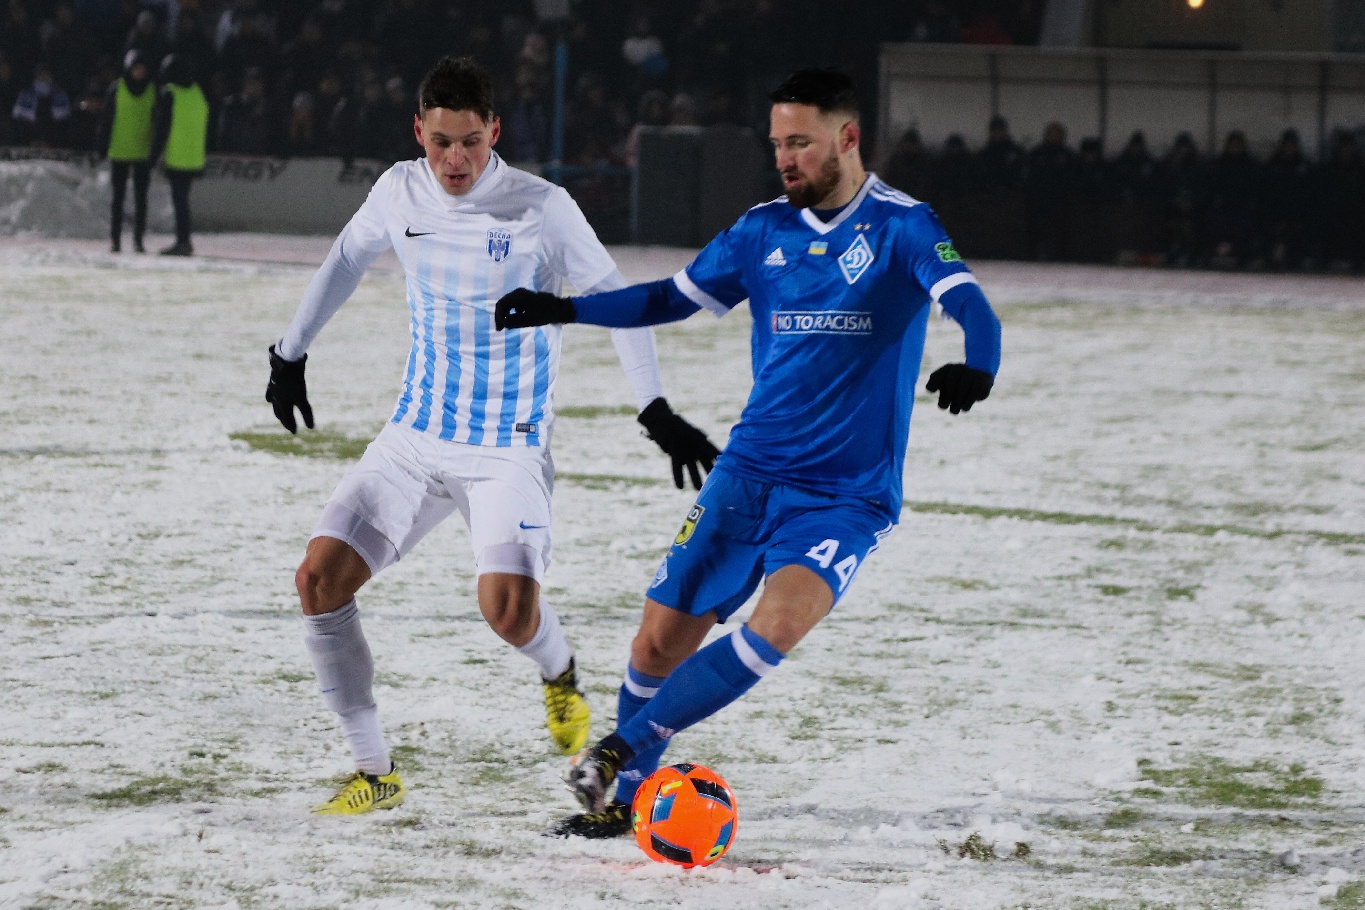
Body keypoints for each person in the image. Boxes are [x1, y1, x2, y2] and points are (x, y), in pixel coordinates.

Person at [494, 68, 1002, 838]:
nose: (785, 159)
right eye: (777, 145)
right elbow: (668, 297)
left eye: (800, 143)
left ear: (847, 137)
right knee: (656, 642)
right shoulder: (761, 231)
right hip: (746, 475)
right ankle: (624, 802)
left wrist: (978, 363)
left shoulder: (901, 225)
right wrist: (564, 308)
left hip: (843, 497)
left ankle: (621, 752)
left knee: (776, 626)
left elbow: (969, 303)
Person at [262, 56, 718, 817]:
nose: (456, 160)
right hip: (414, 436)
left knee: (506, 612)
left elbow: (618, 299)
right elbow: (345, 259)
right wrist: (290, 353)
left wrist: (655, 407)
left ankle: (559, 670)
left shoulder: (541, 207)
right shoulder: (398, 190)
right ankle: (375, 772)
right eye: (441, 142)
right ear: (418, 131)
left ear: (495, 131)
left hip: (507, 446)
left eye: (470, 142)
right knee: (318, 581)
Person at [150, 54, 208, 256]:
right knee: (183, 201)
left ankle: (183, 241)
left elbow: (162, 129)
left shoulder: (170, 93)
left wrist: (152, 157)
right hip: (195, 157)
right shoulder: (197, 92)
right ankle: (184, 240)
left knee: (180, 202)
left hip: (177, 157)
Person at [99, 50, 155, 254]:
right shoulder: (117, 88)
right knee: (118, 199)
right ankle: (115, 240)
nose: (139, 72)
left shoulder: (152, 90)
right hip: (119, 151)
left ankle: (138, 241)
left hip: (142, 152)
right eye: (135, 68)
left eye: (142, 68)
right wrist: (102, 146)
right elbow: (106, 118)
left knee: (141, 199)